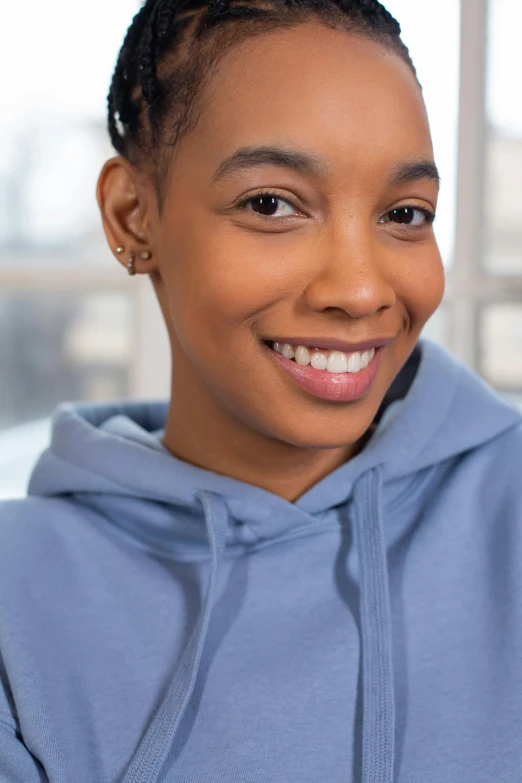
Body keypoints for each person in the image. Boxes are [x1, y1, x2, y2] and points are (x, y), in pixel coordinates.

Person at [1, 0, 521, 781]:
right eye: (272, 204)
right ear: (133, 214)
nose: (358, 288)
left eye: (404, 213)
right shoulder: (19, 593)